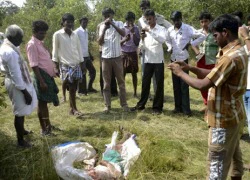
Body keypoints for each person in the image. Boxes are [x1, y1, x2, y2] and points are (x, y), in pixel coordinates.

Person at [168, 14, 247, 180]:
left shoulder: (229, 58)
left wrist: (180, 73)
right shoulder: (237, 51)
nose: (214, 39)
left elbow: (203, 84)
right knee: (235, 162)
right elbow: (214, 75)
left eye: (216, 35)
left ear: (225, 32)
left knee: (215, 168)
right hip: (234, 116)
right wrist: (191, 67)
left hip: (222, 120)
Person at [0, 25, 37, 147]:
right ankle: (20, 140)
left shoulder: (9, 46)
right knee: (19, 112)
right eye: (20, 38)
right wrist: (25, 92)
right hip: (16, 84)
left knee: (21, 109)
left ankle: (22, 131)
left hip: (16, 81)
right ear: (12, 37)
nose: (21, 41)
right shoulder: (10, 52)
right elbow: (15, 75)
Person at [166, 11, 205, 116]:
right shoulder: (170, 30)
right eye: (174, 21)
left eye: (177, 20)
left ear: (181, 19)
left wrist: (191, 43)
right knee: (176, 85)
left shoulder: (188, 28)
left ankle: (186, 109)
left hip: (183, 60)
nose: (176, 23)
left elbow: (202, 36)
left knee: (184, 84)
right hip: (173, 59)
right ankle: (177, 107)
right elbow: (167, 40)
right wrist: (169, 47)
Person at [26, 20, 59, 136]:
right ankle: (44, 129)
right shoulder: (32, 45)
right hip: (41, 77)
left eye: (44, 33)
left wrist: (54, 70)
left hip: (47, 76)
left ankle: (48, 125)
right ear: (34, 32)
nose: (43, 35)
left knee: (45, 103)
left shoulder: (40, 43)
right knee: (42, 104)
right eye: (41, 33)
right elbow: (34, 65)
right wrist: (42, 82)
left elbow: (46, 59)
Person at [131, 9, 166, 115]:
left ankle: (157, 107)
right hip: (147, 60)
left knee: (159, 84)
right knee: (145, 84)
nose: (148, 22)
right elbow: (142, 45)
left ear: (155, 18)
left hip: (158, 60)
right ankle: (141, 105)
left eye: (150, 19)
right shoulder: (144, 30)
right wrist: (141, 42)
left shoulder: (161, 29)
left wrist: (150, 31)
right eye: (146, 20)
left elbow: (162, 40)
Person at [138, 0, 172, 99]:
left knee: (156, 77)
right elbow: (141, 34)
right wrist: (140, 45)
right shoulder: (140, 20)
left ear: (149, 7)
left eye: (144, 8)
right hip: (146, 50)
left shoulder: (158, 17)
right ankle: (147, 96)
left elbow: (170, 27)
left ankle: (158, 96)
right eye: (142, 9)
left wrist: (170, 42)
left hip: (157, 50)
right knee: (145, 75)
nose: (143, 10)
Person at [97, 7, 129, 113]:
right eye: (105, 16)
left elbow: (123, 34)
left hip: (117, 57)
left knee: (121, 82)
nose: (107, 17)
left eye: (108, 15)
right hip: (105, 58)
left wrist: (112, 24)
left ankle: (124, 104)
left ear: (112, 15)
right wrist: (105, 29)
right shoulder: (101, 26)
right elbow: (99, 42)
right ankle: (107, 105)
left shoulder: (119, 23)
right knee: (106, 83)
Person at [52, 13, 84, 116]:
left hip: (76, 64)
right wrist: (55, 66)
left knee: (74, 87)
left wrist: (82, 63)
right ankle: (73, 109)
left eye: (71, 22)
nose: (70, 24)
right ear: (63, 22)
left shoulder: (75, 35)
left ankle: (72, 109)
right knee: (71, 87)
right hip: (65, 65)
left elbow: (79, 49)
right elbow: (55, 51)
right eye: (68, 22)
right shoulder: (57, 34)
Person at [191, 12, 218, 112]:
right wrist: (197, 51)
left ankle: (214, 104)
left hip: (213, 61)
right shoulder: (197, 33)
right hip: (200, 61)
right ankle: (206, 104)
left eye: (206, 21)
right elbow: (192, 44)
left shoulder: (215, 33)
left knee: (213, 83)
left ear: (210, 21)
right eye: (201, 22)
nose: (204, 24)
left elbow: (220, 45)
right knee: (202, 83)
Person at [74, 16, 97, 95]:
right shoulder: (76, 32)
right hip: (80, 56)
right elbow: (75, 45)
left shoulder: (86, 31)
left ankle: (89, 88)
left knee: (93, 71)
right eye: (84, 22)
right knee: (83, 73)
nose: (85, 24)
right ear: (80, 23)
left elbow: (85, 44)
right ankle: (81, 91)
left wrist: (90, 54)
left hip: (86, 55)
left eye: (86, 22)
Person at [121, 11, 140, 97]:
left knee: (134, 73)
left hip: (133, 53)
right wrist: (125, 39)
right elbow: (119, 43)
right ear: (126, 20)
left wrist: (133, 32)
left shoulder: (136, 28)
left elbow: (137, 42)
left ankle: (135, 93)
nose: (130, 22)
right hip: (124, 53)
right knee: (123, 73)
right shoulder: (122, 28)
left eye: (132, 20)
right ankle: (122, 92)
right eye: (129, 20)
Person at [97, 22, 118, 97]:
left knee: (112, 71)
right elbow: (99, 39)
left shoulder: (113, 24)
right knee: (103, 71)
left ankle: (114, 91)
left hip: (111, 51)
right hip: (102, 51)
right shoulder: (100, 25)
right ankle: (103, 91)